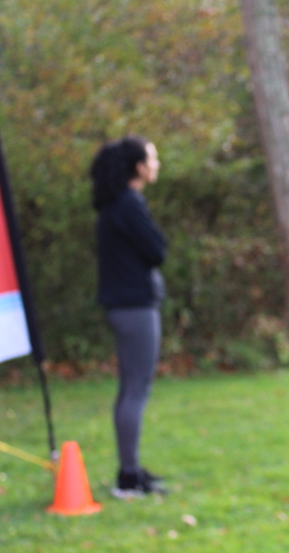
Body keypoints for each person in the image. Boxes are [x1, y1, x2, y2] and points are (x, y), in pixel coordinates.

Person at [90, 135, 168, 498]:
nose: (156, 164)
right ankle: (128, 477)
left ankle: (131, 469)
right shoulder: (128, 204)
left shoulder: (115, 205)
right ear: (139, 167)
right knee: (136, 388)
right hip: (135, 307)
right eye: (152, 158)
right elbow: (156, 249)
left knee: (130, 389)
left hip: (124, 306)